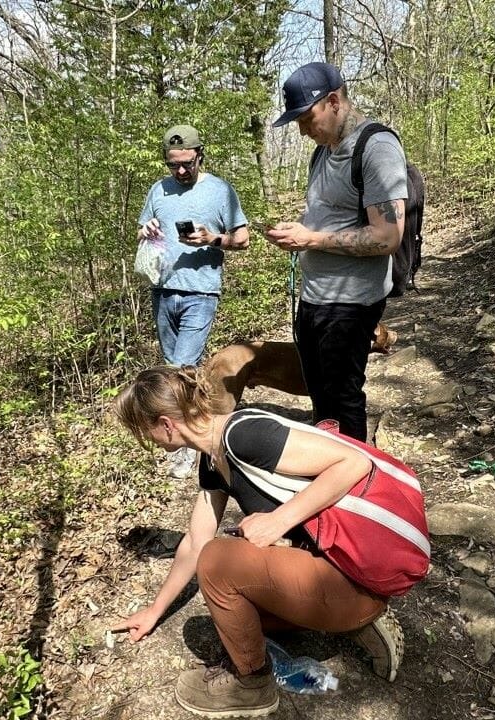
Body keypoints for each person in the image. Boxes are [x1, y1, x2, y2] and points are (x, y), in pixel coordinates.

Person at [112, 366, 405, 718]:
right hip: (329, 573)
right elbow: (194, 540)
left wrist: (278, 521)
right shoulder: (212, 458)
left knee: (218, 562)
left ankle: (251, 684)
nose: (150, 443)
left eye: (145, 433)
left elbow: (354, 463)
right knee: (234, 615)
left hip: (352, 576)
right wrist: (154, 611)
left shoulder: (244, 435)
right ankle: (360, 623)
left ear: (165, 423)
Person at [265, 63, 408, 443]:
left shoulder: (376, 147)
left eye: (306, 118)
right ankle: (328, 474)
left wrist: (310, 239)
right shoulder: (322, 153)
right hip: (314, 297)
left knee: (343, 399)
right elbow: (327, 215)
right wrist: (294, 232)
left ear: (333, 101)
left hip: (351, 301)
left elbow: (388, 236)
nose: (301, 129)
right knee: (321, 397)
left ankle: (358, 483)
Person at [137, 124, 250, 478]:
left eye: (187, 163)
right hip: (162, 288)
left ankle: (187, 445)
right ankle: (189, 428)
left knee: (182, 366)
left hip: (201, 291)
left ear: (200, 155)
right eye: (174, 165)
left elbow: (243, 239)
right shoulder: (158, 190)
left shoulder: (220, 191)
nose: (181, 171)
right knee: (172, 366)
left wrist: (213, 239)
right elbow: (144, 226)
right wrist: (147, 230)